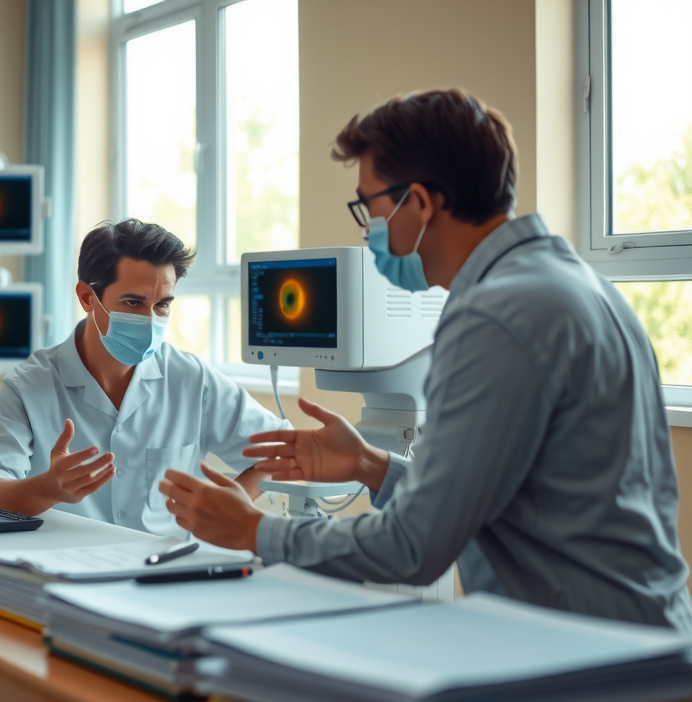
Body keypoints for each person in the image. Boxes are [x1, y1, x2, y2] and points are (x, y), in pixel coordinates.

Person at [159, 88, 692, 632]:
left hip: (592, 659)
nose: (368, 230)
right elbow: (503, 493)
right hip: (646, 637)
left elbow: (414, 547)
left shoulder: (494, 316)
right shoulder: (584, 287)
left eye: (370, 207)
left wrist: (252, 531)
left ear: (418, 202)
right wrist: (370, 465)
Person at [0, 218, 289, 537]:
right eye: (133, 302)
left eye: (162, 305)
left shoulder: (192, 378)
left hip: (164, 572)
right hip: (63, 569)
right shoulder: (27, 386)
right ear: (87, 298)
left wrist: (238, 498)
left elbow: (283, 451)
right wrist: (49, 488)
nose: (150, 320)